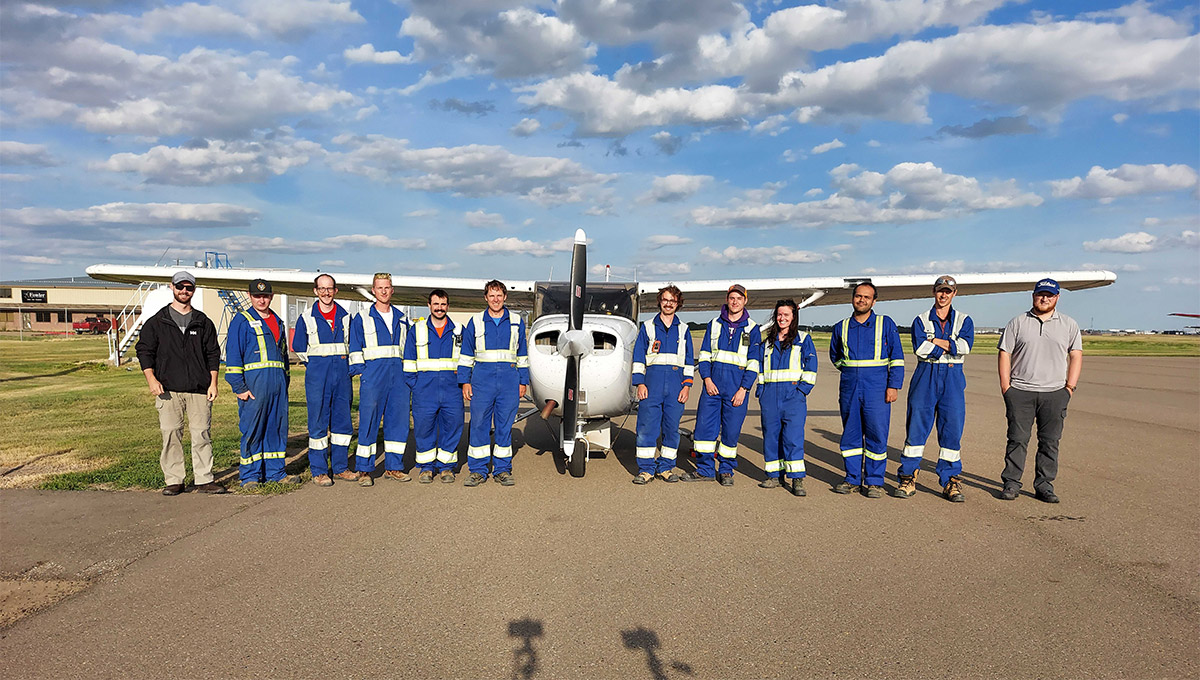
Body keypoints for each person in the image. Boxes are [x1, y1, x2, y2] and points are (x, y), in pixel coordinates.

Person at [135, 271, 225, 495]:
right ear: (172, 287)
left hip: (198, 388)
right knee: (171, 433)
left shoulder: (203, 322)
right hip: (168, 389)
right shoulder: (157, 321)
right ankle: (174, 480)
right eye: (180, 287)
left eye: (189, 288)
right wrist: (151, 379)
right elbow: (144, 351)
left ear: (194, 290)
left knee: (201, 433)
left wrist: (213, 383)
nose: (184, 291)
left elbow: (213, 354)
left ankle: (204, 479)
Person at [997, 278, 1082, 504]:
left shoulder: (1069, 324)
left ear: (1057, 298)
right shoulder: (1017, 322)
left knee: (1050, 441)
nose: (1044, 299)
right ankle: (1012, 482)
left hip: (1054, 392)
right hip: (1021, 391)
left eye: (1050, 295)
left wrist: (1069, 388)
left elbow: (1075, 355)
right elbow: (1005, 353)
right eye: (1040, 294)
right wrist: (1007, 387)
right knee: (1017, 439)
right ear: (1033, 295)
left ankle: (1044, 485)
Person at [896, 276, 974, 502]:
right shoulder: (920, 320)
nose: (944, 295)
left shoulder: (964, 320)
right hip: (926, 376)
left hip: (952, 379)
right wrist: (950, 344)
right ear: (934, 292)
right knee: (916, 429)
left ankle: (950, 480)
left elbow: (965, 347)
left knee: (952, 430)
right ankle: (908, 476)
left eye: (948, 291)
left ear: (954, 293)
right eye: (940, 291)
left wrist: (936, 341)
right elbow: (920, 348)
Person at [681, 284, 762, 486]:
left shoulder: (753, 329)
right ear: (727, 300)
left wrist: (744, 389)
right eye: (732, 298)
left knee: (731, 432)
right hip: (712, 388)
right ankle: (705, 469)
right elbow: (705, 355)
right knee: (703, 431)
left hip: (737, 389)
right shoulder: (714, 324)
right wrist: (707, 380)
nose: (735, 302)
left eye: (739, 298)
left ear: (745, 301)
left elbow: (754, 362)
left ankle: (726, 470)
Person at [829, 282, 904, 498]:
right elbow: (835, 356)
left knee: (876, 434)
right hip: (850, 388)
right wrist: (851, 371)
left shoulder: (885, 324)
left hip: (877, 389)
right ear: (853, 298)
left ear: (874, 301)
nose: (862, 300)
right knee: (850, 436)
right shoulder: (841, 327)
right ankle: (852, 478)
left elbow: (897, 357)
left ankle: (873, 481)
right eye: (858, 296)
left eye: (867, 297)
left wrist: (893, 385)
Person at [225, 278, 299, 489]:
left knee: (276, 428)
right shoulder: (242, 320)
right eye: (257, 296)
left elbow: (283, 358)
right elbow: (233, 357)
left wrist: (285, 382)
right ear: (250, 296)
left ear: (272, 296)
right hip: (254, 386)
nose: (262, 300)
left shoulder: (278, 321)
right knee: (252, 430)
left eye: (265, 296)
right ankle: (250, 475)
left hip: (277, 387)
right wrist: (239, 388)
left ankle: (276, 472)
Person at [457, 280, 529, 487]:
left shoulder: (516, 321)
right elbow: (466, 354)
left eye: (499, 296)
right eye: (491, 296)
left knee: (504, 427)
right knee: (479, 424)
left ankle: (502, 470)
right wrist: (465, 381)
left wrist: (523, 381)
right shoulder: (476, 321)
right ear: (485, 298)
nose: (495, 300)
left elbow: (522, 354)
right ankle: (478, 470)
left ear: (505, 297)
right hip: (481, 381)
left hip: (509, 381)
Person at [292, 274, 356, 487]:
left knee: (342, 424)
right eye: (322, 289)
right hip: (318, 378)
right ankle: (319, 471)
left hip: (342, 377)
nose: (326, 293)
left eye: (329, 289)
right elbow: (299, 347)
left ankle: (340, 468)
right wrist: (318, 367)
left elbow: (353, 346)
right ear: (315, 291)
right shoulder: (307, 317)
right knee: (318, 424)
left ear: (336, 291)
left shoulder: (346, 317)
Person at [349, 273, 412, 487]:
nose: (383, 291)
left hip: (399, 377)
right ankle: (365, 470)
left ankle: (394, 467)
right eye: (379, 288)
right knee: (369, 422)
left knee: (398, 422)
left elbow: (409, 349)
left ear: (392, 290)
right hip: (374, 376)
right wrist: (362, 371)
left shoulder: (402, 318)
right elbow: (355, 345)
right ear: (373, 291)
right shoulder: (363, 317)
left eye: (387, 287)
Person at [630, 285, 694, 484]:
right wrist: (640, 383)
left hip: (676, 386)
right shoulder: (648, 327)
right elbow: (639, 357)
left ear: (678, 304)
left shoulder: (684, 330)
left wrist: (687, 386)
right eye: (665, 300)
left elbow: (689, 360)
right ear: (660, 301)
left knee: (672, 428)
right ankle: (646, 469)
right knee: (646, 428)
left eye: (672, 301)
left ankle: (665, 467)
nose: (668, 304)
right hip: (652, 384)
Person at [755, 299, 818, 497]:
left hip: (793, 397)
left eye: (786, 315)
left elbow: (811, 367)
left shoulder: (803, 339)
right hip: (770, 396)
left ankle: (797, 478)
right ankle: (774, 475)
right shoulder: (767, 342)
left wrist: (802, 390)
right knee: (771, 437)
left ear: (793, 318)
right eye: (779, 315)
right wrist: (762, 391)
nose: (782, 318)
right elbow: (760, 368)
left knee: (793, 438)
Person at [403, 289, 464, 484]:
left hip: (452, 390)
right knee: (423, 428)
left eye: (443, 304)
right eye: (436, 304)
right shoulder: (418, 329)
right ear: (429, 306)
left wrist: (462, 383)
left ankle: (446, 467)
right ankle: (426, 467)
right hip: (424, 390)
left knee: (452, 426)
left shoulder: (459, 331)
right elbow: (409, 360)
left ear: (448, 306)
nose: (439, 308)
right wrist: (415, 384)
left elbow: (466, 359)